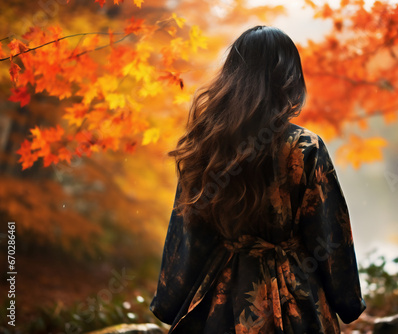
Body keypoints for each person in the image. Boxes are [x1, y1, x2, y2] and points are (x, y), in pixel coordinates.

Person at [150, 25, 366, 333]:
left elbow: (188, 234)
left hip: (222, 302)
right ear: (289, 78)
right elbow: (329, 235)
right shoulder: (305, 147)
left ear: (233, 76)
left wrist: (169, 302)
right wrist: (347, 301)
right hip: (297, 301)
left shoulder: (208, 144)